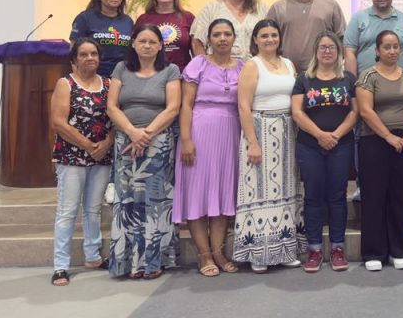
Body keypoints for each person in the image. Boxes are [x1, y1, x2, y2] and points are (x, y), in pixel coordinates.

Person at [106, 24, 182, 279]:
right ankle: (127, 262)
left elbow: (173, 108)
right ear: (134, 44)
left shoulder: (170, 70)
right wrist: (132, 133)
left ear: (160, 46)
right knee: (127, 201)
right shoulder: (121, 69)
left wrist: (146, 134)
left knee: (156, 202)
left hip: (158, 143)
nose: (147, 45)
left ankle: (153, 262)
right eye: (142, 41)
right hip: (126, 142)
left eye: (152, 42)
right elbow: (112, 107)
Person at [234, 19, 306, 273]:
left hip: (287, 132)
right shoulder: (252, 65)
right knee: (260, 191)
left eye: (273, 35)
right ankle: (259, 254)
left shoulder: (288, 64)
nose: (269, 39)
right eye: (264, 35)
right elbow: (243, 106)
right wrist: (252, 142)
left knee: (286, 190)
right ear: (255, 39)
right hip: (261, 130)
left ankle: (284, 250)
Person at [173, 18, 244, 277]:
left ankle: (219, 253)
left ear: (234, 38)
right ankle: (204, 255)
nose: (222, 39)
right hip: (199, 133)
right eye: (216, 34)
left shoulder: (243, 67)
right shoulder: (198, 64)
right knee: (197, 195)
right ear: (209, 39)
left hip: (230, 134)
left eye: (227, 34)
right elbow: (186, 105)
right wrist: (186, 139)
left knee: (223, 196)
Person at [344, 0, 403, 202]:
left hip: (398, 87)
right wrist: (353, 83)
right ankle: (362, 185)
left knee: (397, 137)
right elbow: (350, 52)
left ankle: (395, 188)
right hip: (366, 88)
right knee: (363, 136)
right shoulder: (359, 19)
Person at [49, 38, 114, 286]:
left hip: (101, 155)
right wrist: (87, 145)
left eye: (94, 54)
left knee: (93, 209)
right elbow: (58, 122)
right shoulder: (65, 84)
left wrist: (106, 143)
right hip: (72, 155)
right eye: (84, 54)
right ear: (74, 60)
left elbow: (116, 119)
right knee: (67, 211)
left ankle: (93, 256)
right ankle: (60, 266)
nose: (90, 58)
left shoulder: (108, 84)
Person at [292, 31, 358, 273]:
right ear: (316, 51)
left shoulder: (348, 79)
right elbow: (297, 112)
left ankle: (338, 248)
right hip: (310, 146)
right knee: (313, 197)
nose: (327, 51)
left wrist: (335, 135)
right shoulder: (304, 79)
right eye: (323, 47)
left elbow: (355, 112)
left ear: (338, 52)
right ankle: (315, 249)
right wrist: (320, 135)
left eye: (332, 47)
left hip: (341, 144)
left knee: (337, 196)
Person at [356, 30, 403, 271]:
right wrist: (387, 136)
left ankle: (399, 250)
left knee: (400, 197)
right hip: (375, 141)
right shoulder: (368, 76)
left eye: (396, 47)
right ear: (377, 50)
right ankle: (374, 252)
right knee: (374, 197)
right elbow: (366, 111)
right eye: (387, 47)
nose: (392, 51)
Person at [267, 0, 347, 72]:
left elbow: (342, 40)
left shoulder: (331, 6)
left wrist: (333, 67)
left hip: (323, 74)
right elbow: (266, 42)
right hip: (285, 74)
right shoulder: (277, 8)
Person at [191, 0, 268, 61]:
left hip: (255, 67)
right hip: (219, 67)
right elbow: (197, 42)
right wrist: (205, 66)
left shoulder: (262, 8)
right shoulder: (211, 8)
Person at [70, 0, 133, 77]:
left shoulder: (128, 21)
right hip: (93, 77)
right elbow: (73, 53)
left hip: (122, 77)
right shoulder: (84, 18)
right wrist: (79, 80)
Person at [135, 0, 196, 71]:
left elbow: (196, 49)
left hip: (182, 73)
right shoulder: (143, 19)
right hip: (152, 74)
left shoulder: (188, 17)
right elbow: (135, 49)